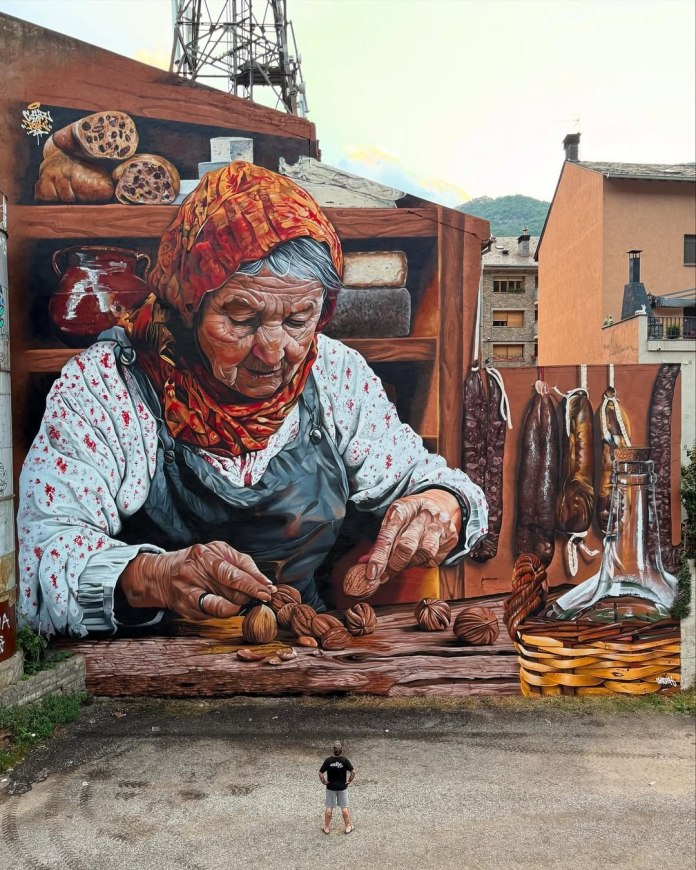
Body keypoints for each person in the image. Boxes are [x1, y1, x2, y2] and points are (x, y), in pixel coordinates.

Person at [18, 161, 488, 638]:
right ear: (188, 302)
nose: (272, 351)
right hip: (152, 667)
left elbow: (429, 480)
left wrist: (443, 503)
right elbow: (39, 556)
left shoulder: (335, 374)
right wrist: (152, 578)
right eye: (240, 318)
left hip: (304, 652)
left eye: (298, 319)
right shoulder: (106, 385)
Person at [319, 740, 355, 834]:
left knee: (329, 807)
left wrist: (324, 782)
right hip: (342, 788)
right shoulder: (345, 761)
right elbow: (353, 772)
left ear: (333, 750)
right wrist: (349, 781)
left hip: (331, 787)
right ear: (341, 750)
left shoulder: (328, 761)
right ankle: (347, 827)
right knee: (344, 808)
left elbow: (321, 773)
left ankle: (326, 828)